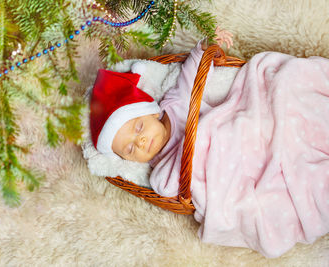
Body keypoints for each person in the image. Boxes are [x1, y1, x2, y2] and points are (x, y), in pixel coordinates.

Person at [89, 28, 329, 258]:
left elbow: (191, 77)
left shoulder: (174, 103)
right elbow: (170, 187)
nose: (140, 141)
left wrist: (203, 47)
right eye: (130, 150)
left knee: (280, 110)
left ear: (151, 111)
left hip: (239, 131)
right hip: (230, 169)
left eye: (138, 127)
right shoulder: (160, 171)